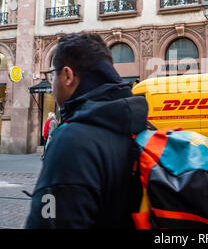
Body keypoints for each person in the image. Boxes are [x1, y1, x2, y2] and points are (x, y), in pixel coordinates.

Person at [25, 33, 148, 228]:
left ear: (67, 75)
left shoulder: (70, 142)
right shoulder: (142, 126)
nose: (51, 85)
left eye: (52, 75)